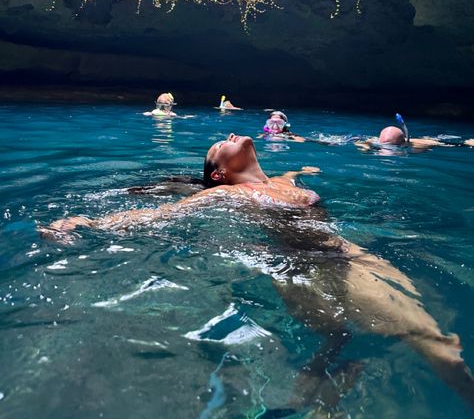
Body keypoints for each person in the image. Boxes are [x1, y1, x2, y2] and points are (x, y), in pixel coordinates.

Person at [40, 134, 474, 407]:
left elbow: (289, 176)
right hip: (310, 269)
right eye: (220, 143)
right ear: (220, 171)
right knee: (434, 341)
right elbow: (160, 214)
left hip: (351, 254)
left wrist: (304, 168)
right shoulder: (224, 196)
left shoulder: (278, 182)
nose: (231, 134)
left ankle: (315, 387)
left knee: (361, 334)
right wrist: (87, 223)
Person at [354, 113, 471, 152]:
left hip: (429, 141)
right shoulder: (375, 141)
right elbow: (359, 142)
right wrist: (365, 148)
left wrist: (465, 144)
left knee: (462, 144)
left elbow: (449, 145)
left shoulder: (420, 145)